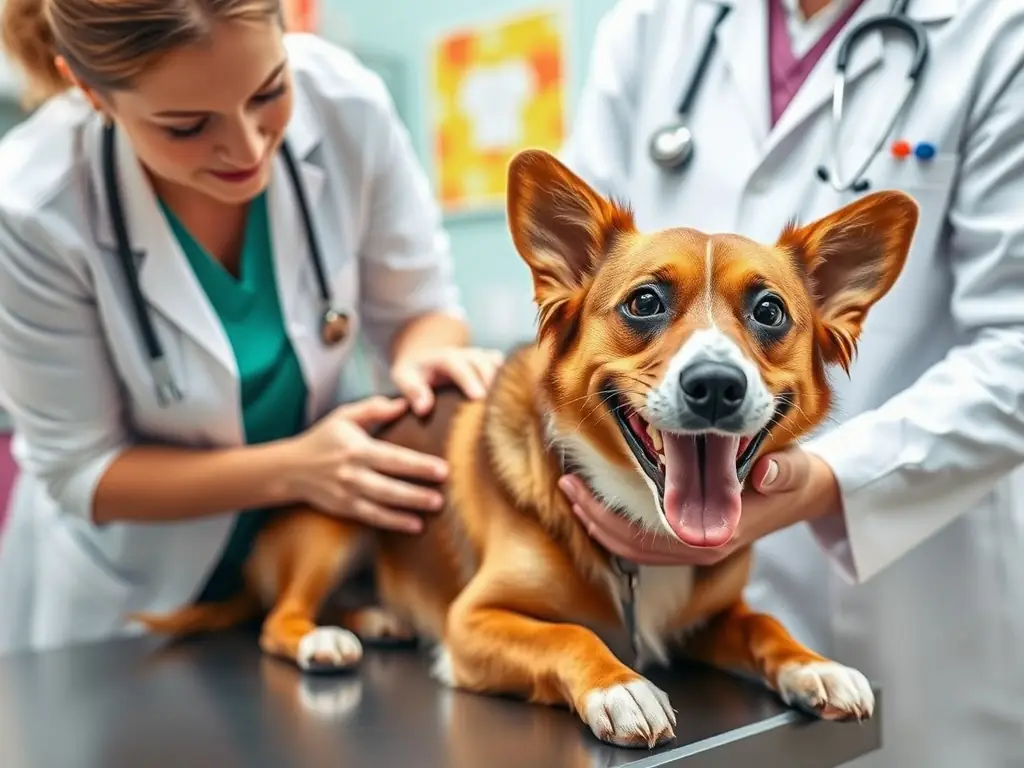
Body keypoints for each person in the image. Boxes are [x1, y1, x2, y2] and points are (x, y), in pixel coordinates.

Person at [555, 0, 1024, 766]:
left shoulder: (997, 31)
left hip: (922, 583)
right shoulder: (651, 26)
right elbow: (582, 284)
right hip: (686, 618)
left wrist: (830, 477)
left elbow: (1017, 343)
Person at [0, 0, 502, 654]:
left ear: (288, 24)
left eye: (269, 93)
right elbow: (84, 471)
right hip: (126, 614)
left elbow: (421, 310)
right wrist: (294, 469)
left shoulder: (347, 103)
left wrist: (420, 359)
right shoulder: (33, 206)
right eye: (185, 127)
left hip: (321, 572)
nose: (245, 146)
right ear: (91, 92)